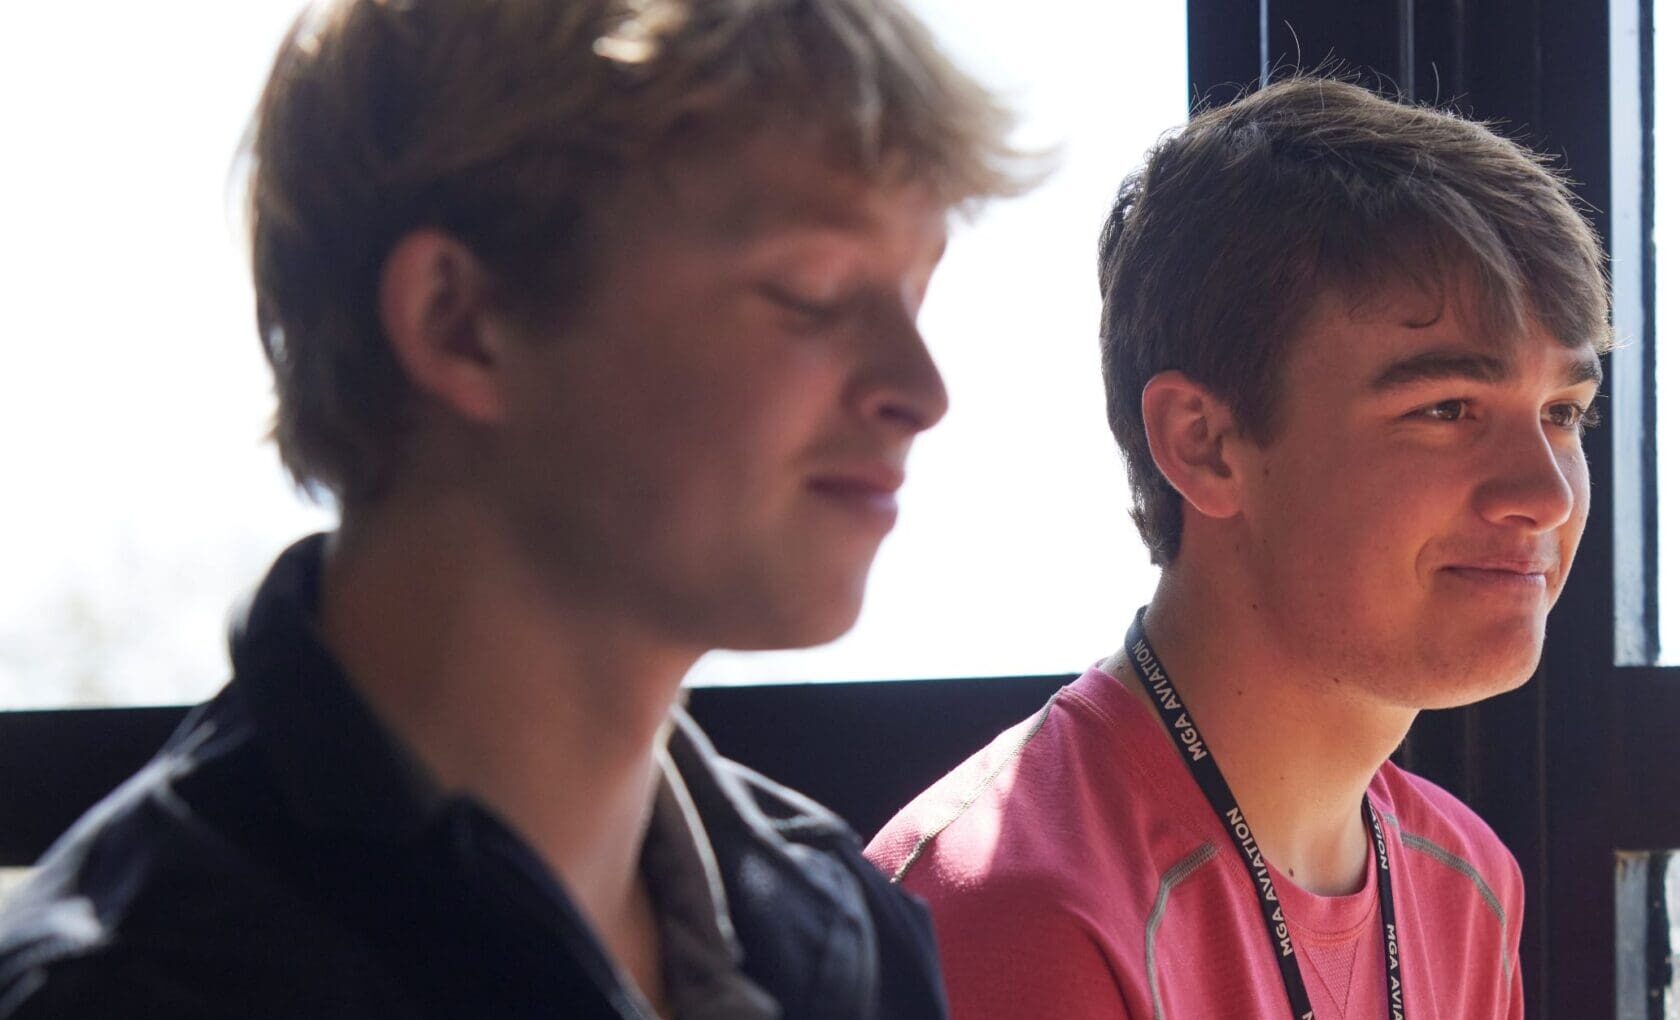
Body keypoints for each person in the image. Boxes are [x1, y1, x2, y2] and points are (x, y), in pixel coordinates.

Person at [0, 0, 1025, 1015]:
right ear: (462, 319)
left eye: (916, 294)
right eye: (813, 288)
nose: (922, 391)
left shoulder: (848, 928)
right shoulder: (125, 990)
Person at [865, 76, 1611, 1019]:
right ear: (1203, 444)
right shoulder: (1017, 908)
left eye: (1562, 413)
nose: (1543, 495)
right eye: (1445, 410)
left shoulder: (1465, 882)